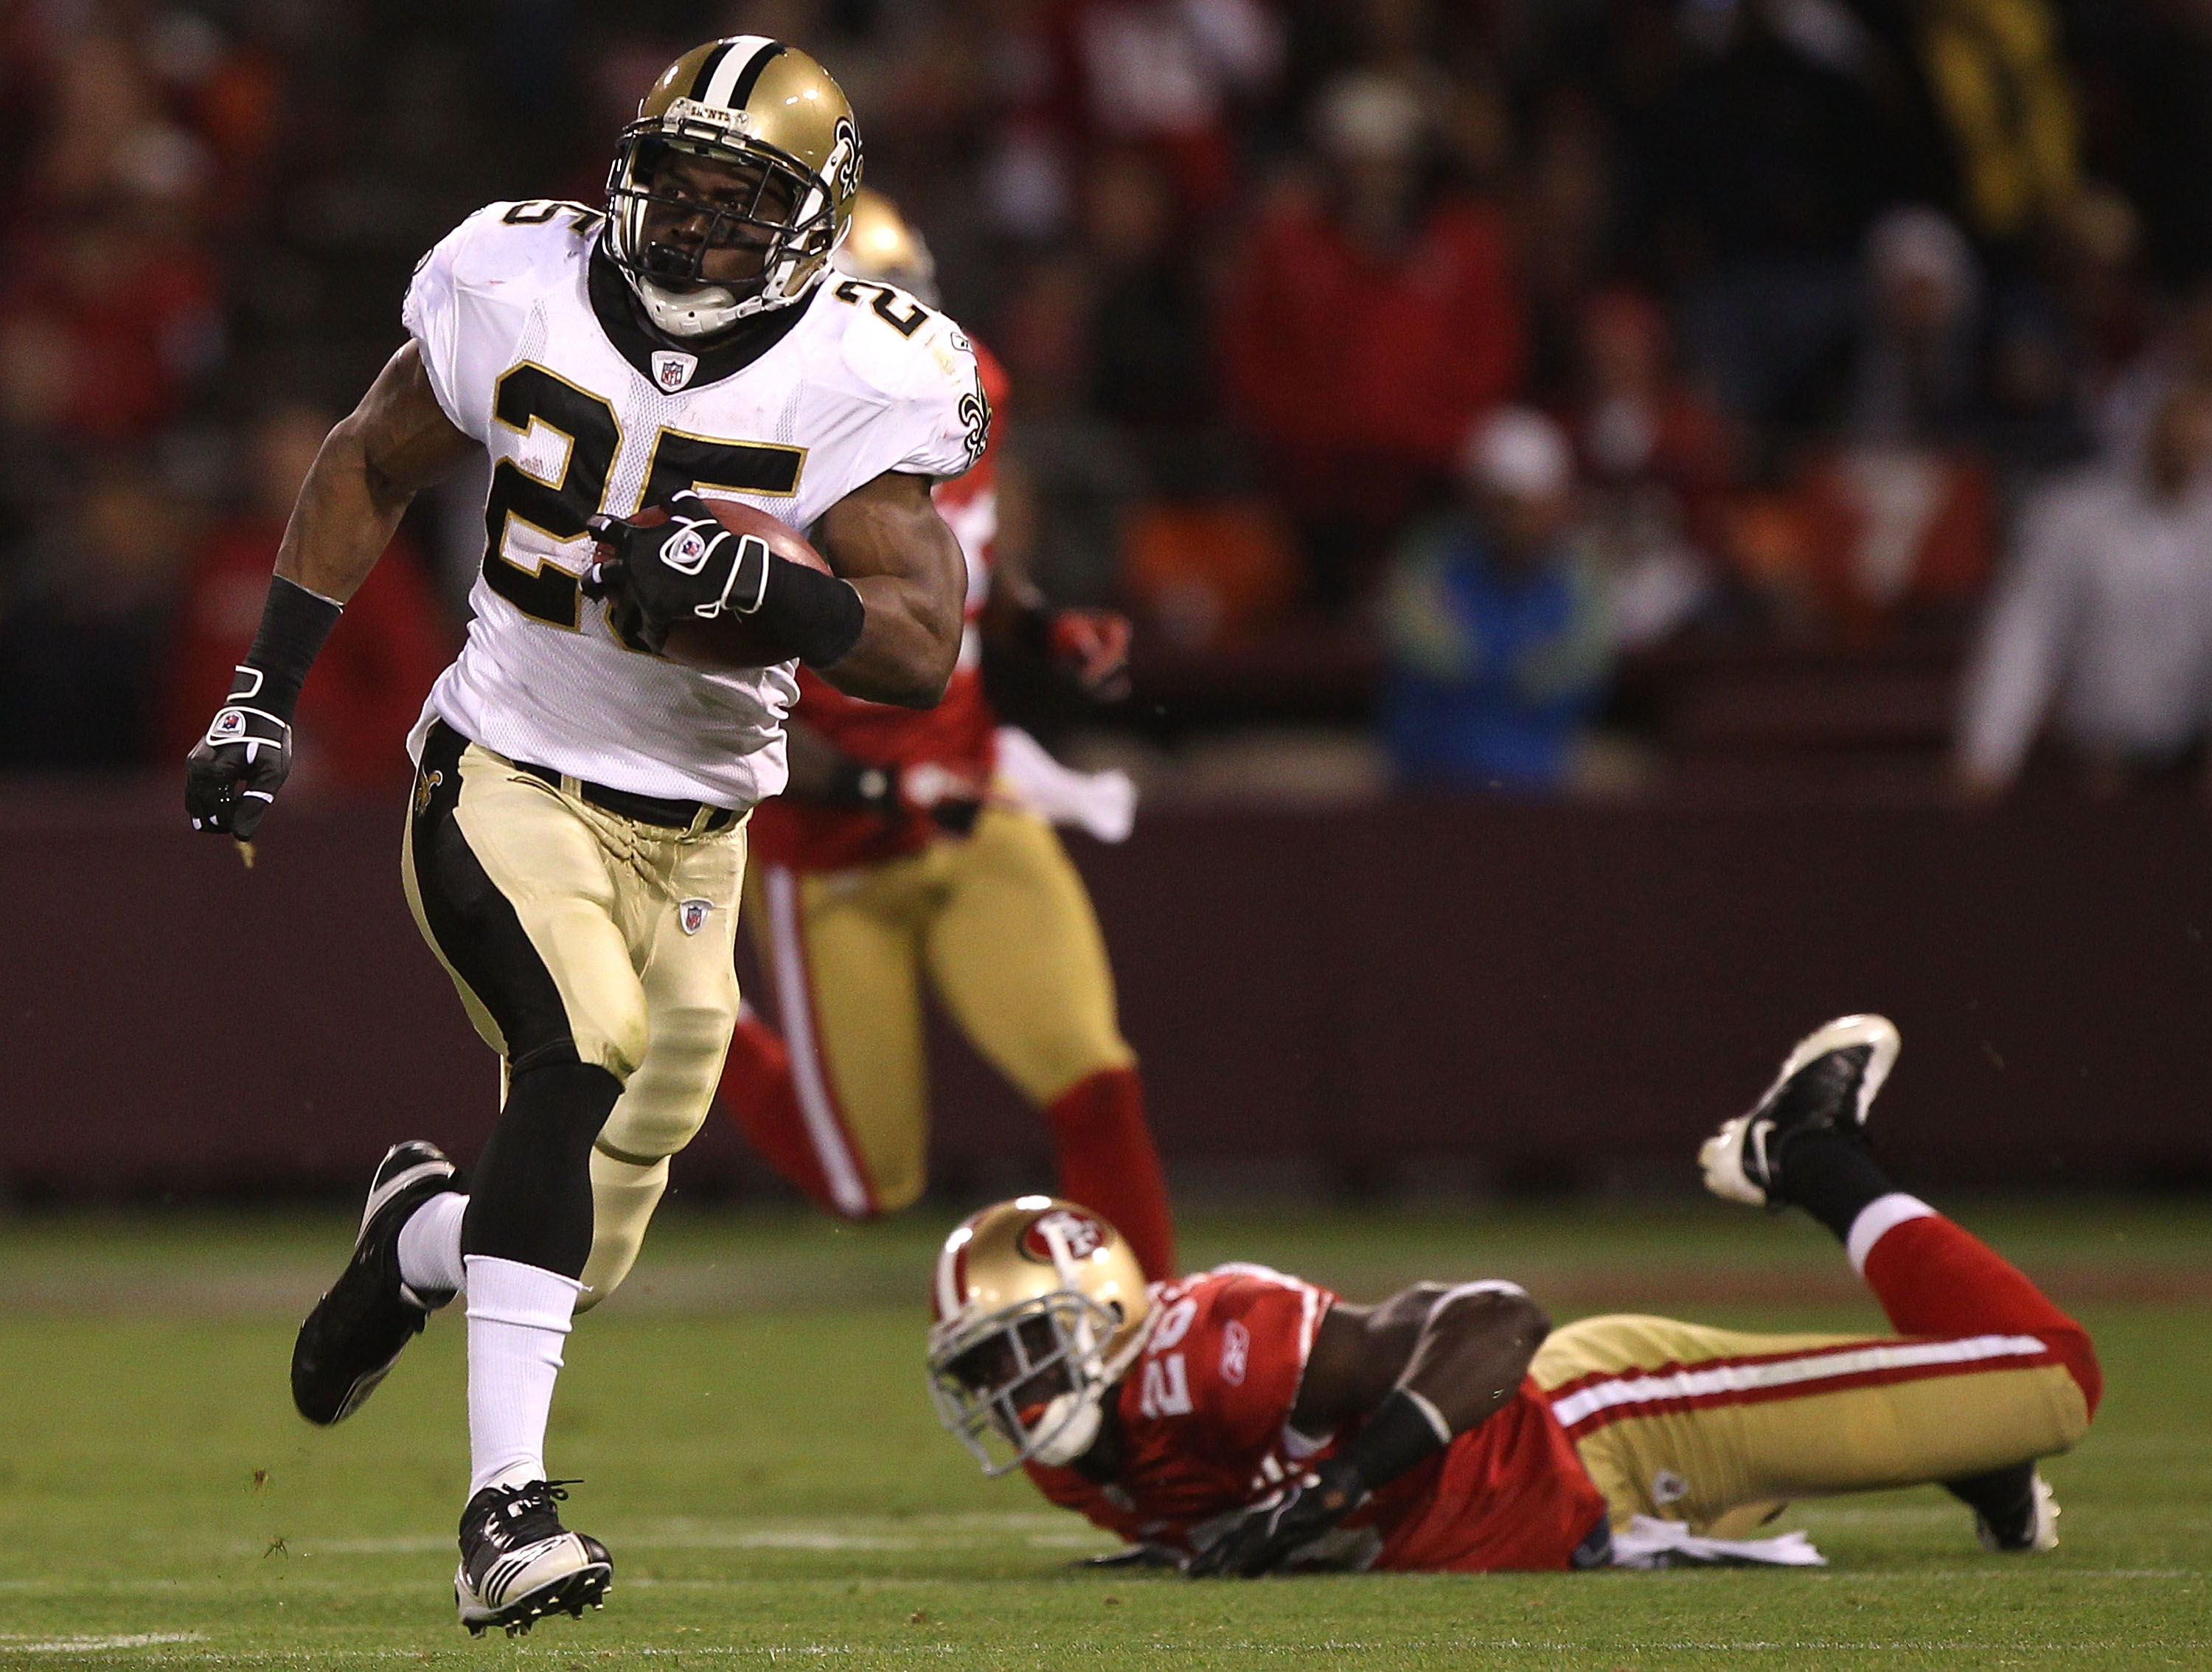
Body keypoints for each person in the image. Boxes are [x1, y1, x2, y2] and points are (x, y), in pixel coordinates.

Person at [181, 38, 984, 1635]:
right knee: (584, 1045)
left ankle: (417, 1239)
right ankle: (506, 1511)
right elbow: (370, 459)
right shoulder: (512, 277)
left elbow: (921, 638)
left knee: (578, 1243)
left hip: (699, 832)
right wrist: (262, 693)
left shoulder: (864, 365)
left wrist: (788, 596)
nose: (690, 226)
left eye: (734, 199)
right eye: (673, 185)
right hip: (505, 770)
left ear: (813, 223)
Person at [925, 1015, 2100, 1575]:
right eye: (981, 1366)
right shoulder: (1067, 1456)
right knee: (1949, 1409)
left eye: (1019, 1348)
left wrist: (1335, 1482)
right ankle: (1976, 1454)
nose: (1006, 1391)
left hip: (1617, 1422)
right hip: (1595, 1531)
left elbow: (1495, 1317)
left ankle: (1814, 1156)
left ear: (1109, 1313)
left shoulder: (1207, 1347)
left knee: (2050, 1376)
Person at [714, 190, 1178, 1280]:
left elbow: (968, 552)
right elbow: (734, 704)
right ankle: (697, 1015)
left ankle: (1157, 1339)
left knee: (1094, 1075)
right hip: (831, 852)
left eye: (908, 311)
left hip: (971, 803)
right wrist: (884, 795)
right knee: (867, 1180)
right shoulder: (754, 448)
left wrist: (1039, 620)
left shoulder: (972, 391)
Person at [1956, 378, 2212, 801]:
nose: (2186, 440)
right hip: (2101, 765)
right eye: (2174, 424)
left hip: (2196, 768)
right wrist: (1988, 751)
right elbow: (2026, 636)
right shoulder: (2072, 514)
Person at [1380, 408, 1612, 793]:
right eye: (1504, 505)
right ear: (1477, 502)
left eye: (1531, 507)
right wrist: (1508, 664)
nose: (1517, 523)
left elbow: (1576, 670)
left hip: (1543, 785)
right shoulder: (1431, 560)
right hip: (1428, 779)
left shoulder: (1580, 577)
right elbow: (1425, 651)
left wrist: (1504, 669)